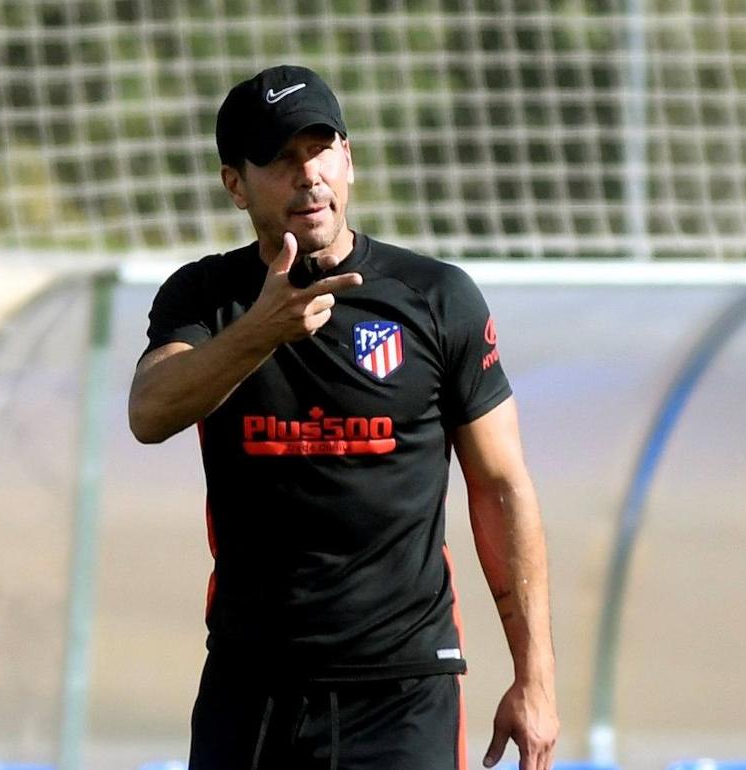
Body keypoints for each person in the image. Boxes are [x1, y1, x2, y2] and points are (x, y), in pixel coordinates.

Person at [128, 64, 558, 770]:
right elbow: (149, 411)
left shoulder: (436, 298)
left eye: (321, 149)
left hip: (402, 689)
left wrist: (534, 677)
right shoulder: (207, 297)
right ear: (235, 184)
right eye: (280, 159)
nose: (308, 175)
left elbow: (502, 487)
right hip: (251, 684)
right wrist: (261, 332)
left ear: (348, 159)